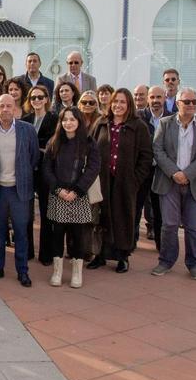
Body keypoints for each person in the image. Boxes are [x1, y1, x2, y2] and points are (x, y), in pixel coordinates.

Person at [151, 88, 196, 280]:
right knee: (169, 225)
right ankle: (166, 261)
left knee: (193, 226)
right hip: (169, 182)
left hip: (195, 182)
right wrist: (174, 173)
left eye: (194, 102)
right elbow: (157, 149)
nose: (191, 105)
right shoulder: (165, 124)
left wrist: (187, 174)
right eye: (187, 102)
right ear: (177, 103)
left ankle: (194, 264)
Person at [90, 88, 153, 273]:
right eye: (115, 101)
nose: (118, 105)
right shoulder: (101, 123)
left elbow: (146, 156)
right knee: (102, 217)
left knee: (123, 217)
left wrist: (135, 179)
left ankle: (123, 256)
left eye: (123, 102)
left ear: (129, 105)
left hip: (125, 182)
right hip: (102, 180)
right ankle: (100, 255)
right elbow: (91, 149)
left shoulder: (138, 126)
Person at [0, 94, 40, 286]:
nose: (5, 109)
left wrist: (21, 177)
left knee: (21, 233)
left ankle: (22, 271)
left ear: (15, 108)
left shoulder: (27, 130)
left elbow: (34, 158)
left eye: (9, 106)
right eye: (2, 106)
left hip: (19, 190)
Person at [42, 108, 100, 289]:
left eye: (72, 119)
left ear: (79, 121)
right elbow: (47, 169)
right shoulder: (54, 142)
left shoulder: (88, 143)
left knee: (78, 235)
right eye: (65, 119)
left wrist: (77, 189)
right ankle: (57, 271)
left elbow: (93, 168)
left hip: (78, 195)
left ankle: (77, 272)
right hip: (58, 194)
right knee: (57, 234)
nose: (68, 123)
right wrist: (58, 189)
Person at [22, 85, 57, 266]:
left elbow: (53, 145)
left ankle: (46, 253)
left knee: (46, 213)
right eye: (33, 97)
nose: (36, 100)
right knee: (27, 213)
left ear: (46, 99)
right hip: (28, 171)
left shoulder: (54, 119)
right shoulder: (25, 119)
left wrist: (39, 148)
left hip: (45, 171)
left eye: (40, 97)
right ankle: (27, 251)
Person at [136, 85, 170, 247]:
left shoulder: (173, 119)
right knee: (136, 206)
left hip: (162, 171)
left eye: (159, 97)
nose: (155, 101)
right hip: (142, 170)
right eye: (152, 97)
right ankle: (131, 240)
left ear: (165, 98)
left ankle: (160, 243)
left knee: (159, 209)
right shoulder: (138, 117)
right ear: (147, 99)